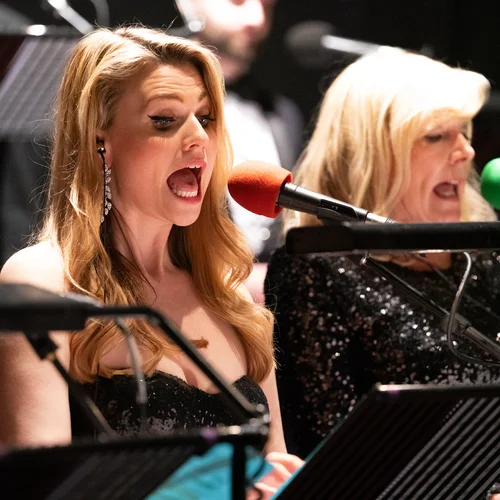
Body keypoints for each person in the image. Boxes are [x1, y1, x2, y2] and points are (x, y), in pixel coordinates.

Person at [0, 26, 302, 497]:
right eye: (164, 120)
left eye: (206, 117)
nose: (199, 139)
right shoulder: (42, 281)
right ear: (100, 140)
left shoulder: (229, 293)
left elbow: (275, 464)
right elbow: (41, 490)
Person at [265, 48, 500, 459]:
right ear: (371, 153)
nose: (466, 152)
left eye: (464, 132)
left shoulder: (483, 258)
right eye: (436, 136)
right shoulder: (316, 269)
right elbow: (331, 451)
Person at [175, 0, 304, 303]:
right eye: (238, 1)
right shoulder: (157, 113)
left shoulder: (283, 114)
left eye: (267, 6)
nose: (257, 19)